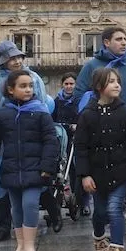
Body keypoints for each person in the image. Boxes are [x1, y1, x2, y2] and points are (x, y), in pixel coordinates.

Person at [73, 26, 126, 235]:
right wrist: (93, 112)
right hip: (101, 133)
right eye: (118, 39)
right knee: (105, 177)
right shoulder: (91, 67)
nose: (124, 42)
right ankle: (106, 219)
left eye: (125, 39)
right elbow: (79, 93)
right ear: (106, 42)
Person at [0, 40, 53, 242]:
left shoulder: (33, 78)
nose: (17, 61)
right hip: (4, 143)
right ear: (3, 61)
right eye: (12, 57)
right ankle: (2, 227)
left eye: (19, 57)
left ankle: (48, 215)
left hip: (30, 138)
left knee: (34, 179)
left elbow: (42, 105)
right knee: (0, 185)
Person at [0, 70, 60, 251]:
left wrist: (47, 167)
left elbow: (51, 140)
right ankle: (20, 246)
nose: (28, 89)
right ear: (10, 89)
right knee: (15, 207)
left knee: (30, 204)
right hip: (11, 167)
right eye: (23, 86)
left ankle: (30, 246)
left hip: (35, 168)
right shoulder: (3, 113)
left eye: (30, 86)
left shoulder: (41, 111)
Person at [76, 68, 126, 251]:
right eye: (111, 82)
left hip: (122, 170)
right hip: (97, 173)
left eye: (118, 81)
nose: (117, 85)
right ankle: (99, 237)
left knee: (115, 207)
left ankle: (117, 250)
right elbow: (80, 147)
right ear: (99, 87)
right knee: (99, 212)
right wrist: (84, 174)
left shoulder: (125, 112)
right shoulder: (87, 115)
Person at [53, 72, 89, 216]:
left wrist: (77, 125)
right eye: (66, 84)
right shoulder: (57, 101)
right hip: (63, 140)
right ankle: (69, 200)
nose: (69, 86)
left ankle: (84, 202)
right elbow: (52, 118)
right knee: (65, 171)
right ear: (62, 85)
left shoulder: (80, 100)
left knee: (79, 170)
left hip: (78, 139)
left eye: (71, 84)